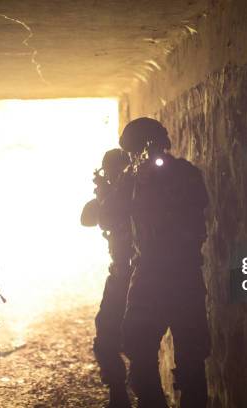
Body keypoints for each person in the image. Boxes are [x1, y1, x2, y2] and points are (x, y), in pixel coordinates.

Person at [119, 118, 210, 408]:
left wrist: (154, 184)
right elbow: (107, 215)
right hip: (163, 274)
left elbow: (197, 208)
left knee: (191, 357)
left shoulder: (183, 174)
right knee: (139, 350)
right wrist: (132, 182)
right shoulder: (133, 179)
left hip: (170, 273)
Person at [81, 149, 134, 408]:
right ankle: (121, 393)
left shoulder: (131, 189)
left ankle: (126, 394)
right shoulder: (116, 192)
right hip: (124, 273)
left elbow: (107, 217)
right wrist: (102, 192)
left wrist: (105, 192)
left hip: (130, 275)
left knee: (117, 338)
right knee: (112, 337)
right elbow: (86, 218)